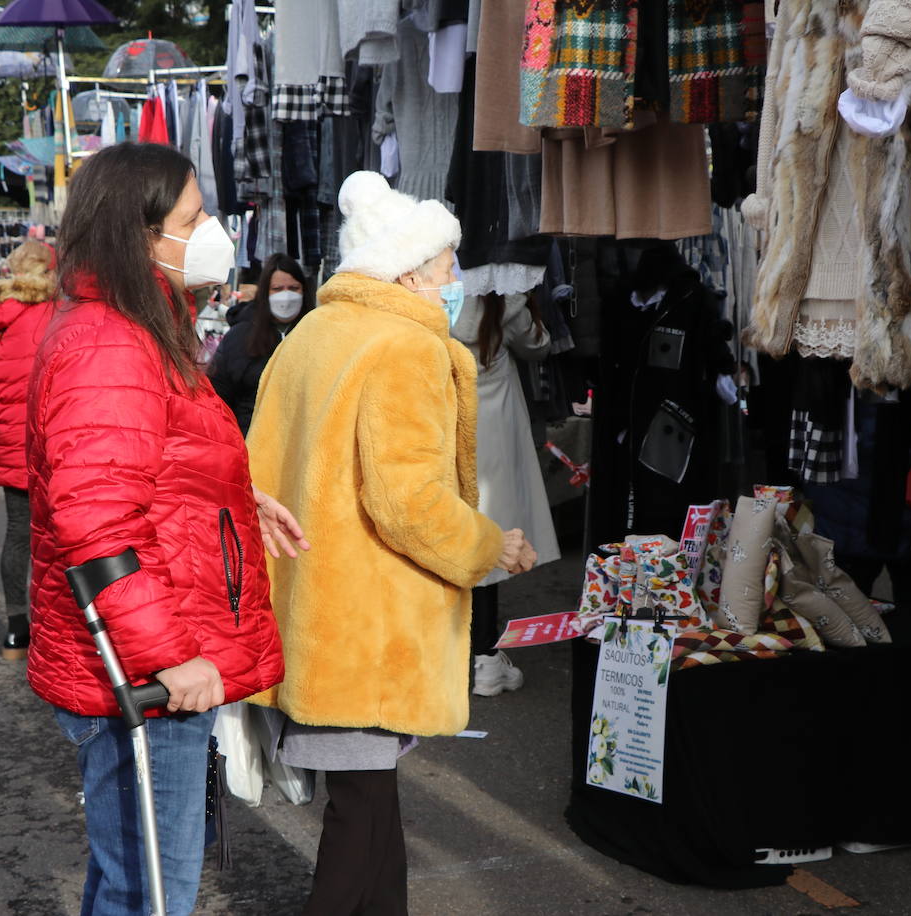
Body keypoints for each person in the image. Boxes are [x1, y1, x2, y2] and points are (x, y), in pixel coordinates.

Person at [246, 171, 538, 914]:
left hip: (315, 609)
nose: (456, 280)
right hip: (370, 621)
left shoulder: (312, 334)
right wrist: (487, 545)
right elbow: (407, 503)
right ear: (409, 271)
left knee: (367, 799)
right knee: (359, 810)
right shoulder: (405, 347)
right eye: (447, 267)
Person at [27, 141, 305, 916]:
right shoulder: (112, 341)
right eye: (195, 216)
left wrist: (241, 497)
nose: (213, 229)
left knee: (134, 880)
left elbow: (152, 464)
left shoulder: (137, 325)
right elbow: (96, 524)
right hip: (142, 667)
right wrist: (170, 659)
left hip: (148, 650)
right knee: (154, 890)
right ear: (142, 233)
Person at [452, 291, 562, 696]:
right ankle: (485, 660)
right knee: (492, 547)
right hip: (492, 438)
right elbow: (539, 345)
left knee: (444, 540)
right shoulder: (504, 298)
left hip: (444, 429)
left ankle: (446, 654)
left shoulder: (430, 293)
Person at [0, 240, 58, 660]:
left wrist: (6, 418)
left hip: (11, 443)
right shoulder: (61, 315)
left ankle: (16, 633)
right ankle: (62, 628)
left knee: (17, 535)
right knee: (65, 534)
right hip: (59, 443)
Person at [208, 253, 311, 435]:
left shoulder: (316, 334)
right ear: (265, 292)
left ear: (303, 291)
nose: (286, 295)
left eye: (293, 288)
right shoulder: (240, 336)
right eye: (278, 289)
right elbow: (217, 397)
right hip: (249, 444)